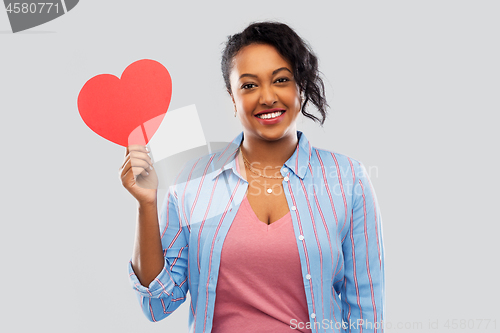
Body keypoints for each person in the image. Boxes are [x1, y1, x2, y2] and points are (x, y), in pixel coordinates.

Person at [120, 21, 385, 333]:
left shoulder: (348, 179)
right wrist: (146, 205)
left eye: (281, 80)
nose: (267, 97)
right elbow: (157, 304)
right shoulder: (191, 180)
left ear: (300, 87)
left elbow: (365, 312)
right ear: (232, 98)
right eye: (248, 85)